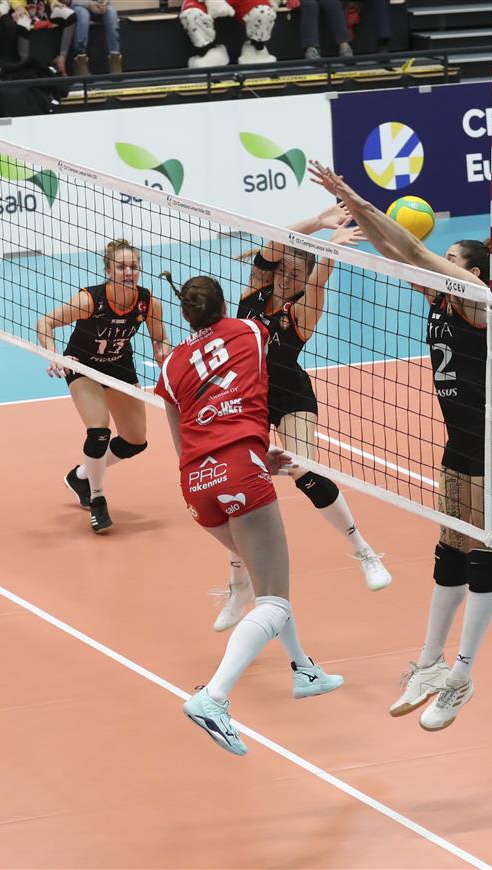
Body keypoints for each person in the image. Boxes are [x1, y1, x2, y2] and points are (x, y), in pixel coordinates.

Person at [309, 160, 492, 732]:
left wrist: (356, 195)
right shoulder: (439, 297)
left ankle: (462, 675)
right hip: (461, 440)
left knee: (481, 550)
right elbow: (396, 251)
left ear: (471, 271)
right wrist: (356, 209)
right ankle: (430, 664)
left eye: (449, 258)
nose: (438, 262)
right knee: (449, 549)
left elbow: (411, 249)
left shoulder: (476, 298)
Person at [156, 275, 343, 756]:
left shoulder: (171, 364)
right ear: (223, 304)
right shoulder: (250, 331)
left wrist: (239, 460)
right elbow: (278, 335)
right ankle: (213, 698)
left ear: (184, 314)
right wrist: (248, 457)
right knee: (274, 599)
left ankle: (304, 670)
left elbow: (181, 435)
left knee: (265, 582)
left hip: (196, 483)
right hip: (241, 470)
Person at [209, 208, 390, 634]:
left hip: (291, 396)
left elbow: (320, 280)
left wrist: (328, 252)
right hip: (247, 399)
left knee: (304, 471)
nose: (285, 278)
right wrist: (317, 223)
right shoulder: (254, 294)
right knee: (234, 486)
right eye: (282, 270)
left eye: (295, 273)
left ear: (305, 277)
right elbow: (273, 241)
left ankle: (363, 551)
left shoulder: (303, 309)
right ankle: (239, 584)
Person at [36, 239, 170, 534]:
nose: (129, 272)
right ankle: (97, 499)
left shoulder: (147, 303)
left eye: (133, 266)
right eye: (121, 267)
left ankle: (80, 475)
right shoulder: (90, 300)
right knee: (99, 430)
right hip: (83, 366)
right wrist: (54, 355)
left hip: (119, 366)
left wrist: (164, 353)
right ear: (108, 271)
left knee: (135, 441)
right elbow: (45, 323)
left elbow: (160, 338)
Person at [9, 0, 76, 77]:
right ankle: (26, 65)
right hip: (24, 8)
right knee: (22, 25)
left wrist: (53, 1)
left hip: (44, 7)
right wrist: (18, 6)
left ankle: (61, 59)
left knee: (71, 15)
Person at [69, 0, 121, 76]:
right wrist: (89, 4)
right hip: (78, 5)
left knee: (111, 12)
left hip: (98, 6)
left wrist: (104, 3)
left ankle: (115, 58)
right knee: (83, 14)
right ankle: (80, 60)